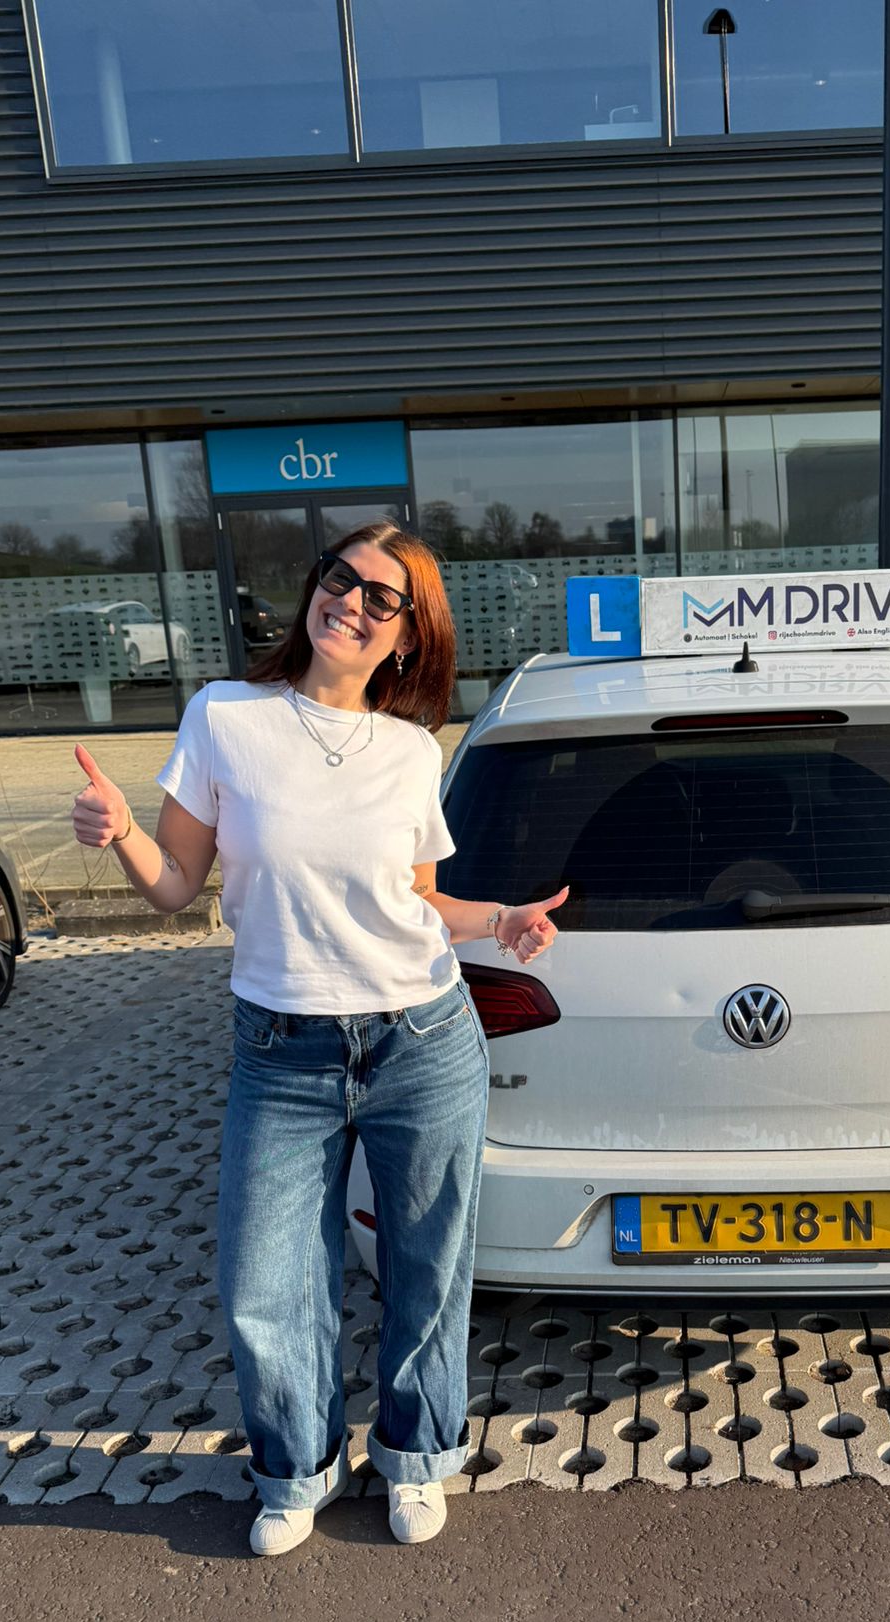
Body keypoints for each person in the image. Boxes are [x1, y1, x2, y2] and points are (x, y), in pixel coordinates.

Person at [70, 522, 566, 1556]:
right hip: (281, 1049)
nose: (352, 601)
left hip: (421, 1036)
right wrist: (121, 833)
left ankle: (415, 1455)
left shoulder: (410, 750)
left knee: (428, 1266)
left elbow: (417, 898)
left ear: (409, 636)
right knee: (266, 1278)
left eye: (384, 597)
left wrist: (502, 918)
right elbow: (175, 886)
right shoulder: (225, 716)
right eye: (342, 578)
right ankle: (297, 1466)